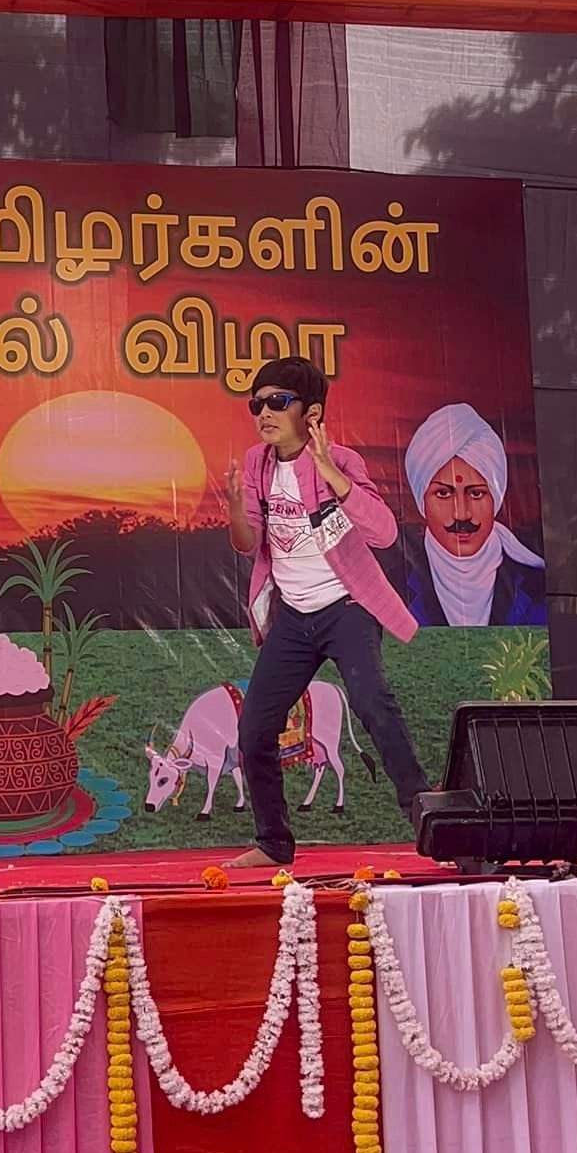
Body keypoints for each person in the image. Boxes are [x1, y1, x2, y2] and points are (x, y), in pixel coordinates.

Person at [224, 357, 428, 867]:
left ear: (311, 413)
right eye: (256, 404)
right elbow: (247, 544)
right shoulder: (257, 463)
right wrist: (234, 506)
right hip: (294, 617)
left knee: (372, 701)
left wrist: (331, 474)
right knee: (254, 727)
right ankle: (273, 842)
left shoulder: (344, 461)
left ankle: (427, 816)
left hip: (346, 607)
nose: (264, 413)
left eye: (278, 402)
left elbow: (384, 533)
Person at [387, 403, 546, 628]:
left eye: (476, 493)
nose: (461, 514)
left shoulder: (536, 585)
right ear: (422, 501)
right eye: (443, 493)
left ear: (496, 498)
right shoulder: (393, 588)